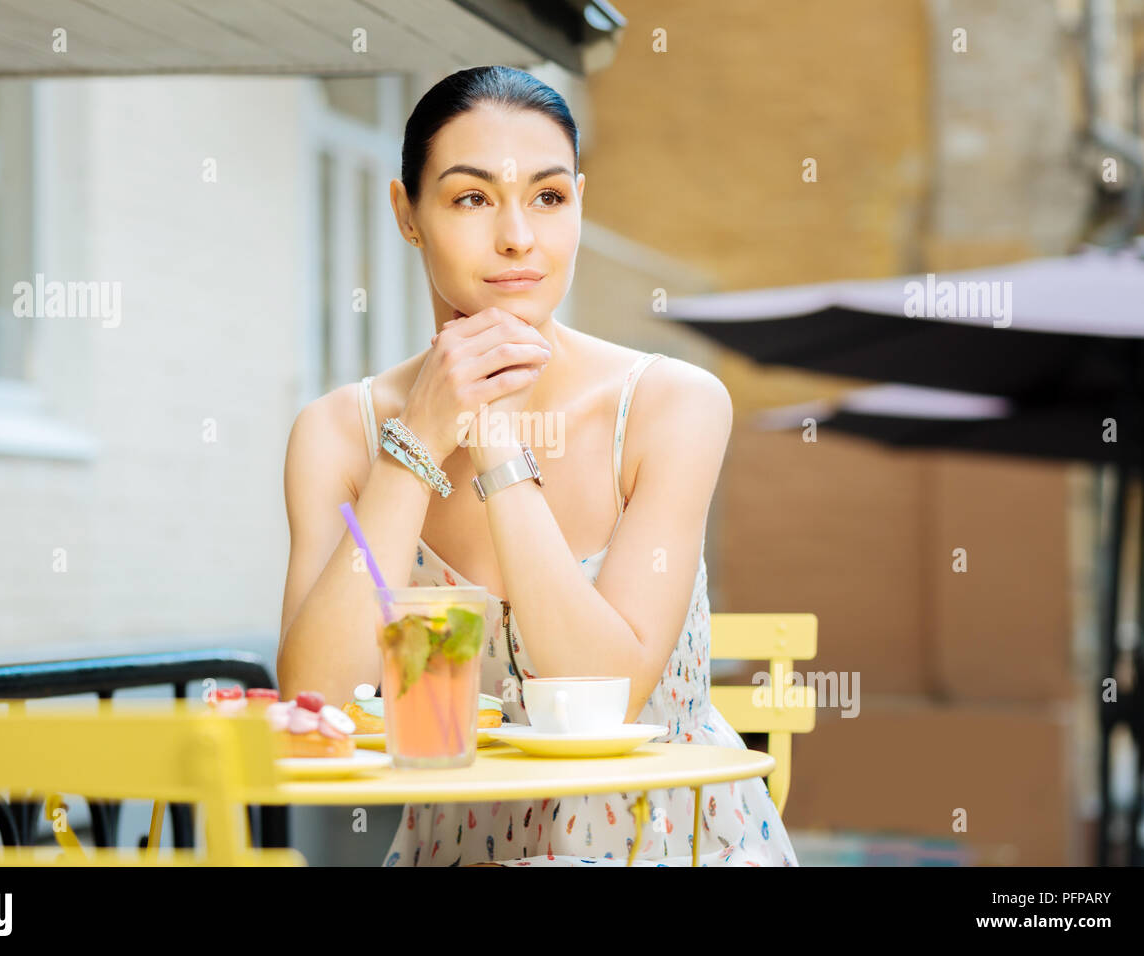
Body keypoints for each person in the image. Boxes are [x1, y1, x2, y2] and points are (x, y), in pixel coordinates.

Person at [278, 65, 798, 866]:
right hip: (458, 848)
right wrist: (416, 442)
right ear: (406, 214)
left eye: (549, 198)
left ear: (579, 204)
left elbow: (606, 696)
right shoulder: (338, 434)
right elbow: (314, 700)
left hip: (665, 843)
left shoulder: (672, 404)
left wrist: (494, 440)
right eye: (472, 198)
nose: (518, 236)